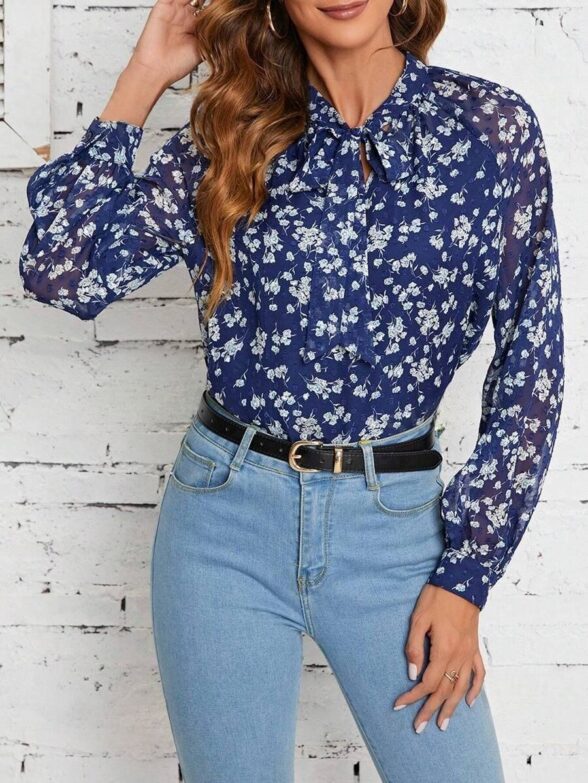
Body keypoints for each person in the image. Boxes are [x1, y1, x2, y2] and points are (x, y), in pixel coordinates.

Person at [18, 0, 564, 780]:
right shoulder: (232, 136)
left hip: (396, 536)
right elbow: (62, 269)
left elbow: (531, 368)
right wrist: (144, 75)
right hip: (223, 530)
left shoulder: (488, 132)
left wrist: (467, 576)